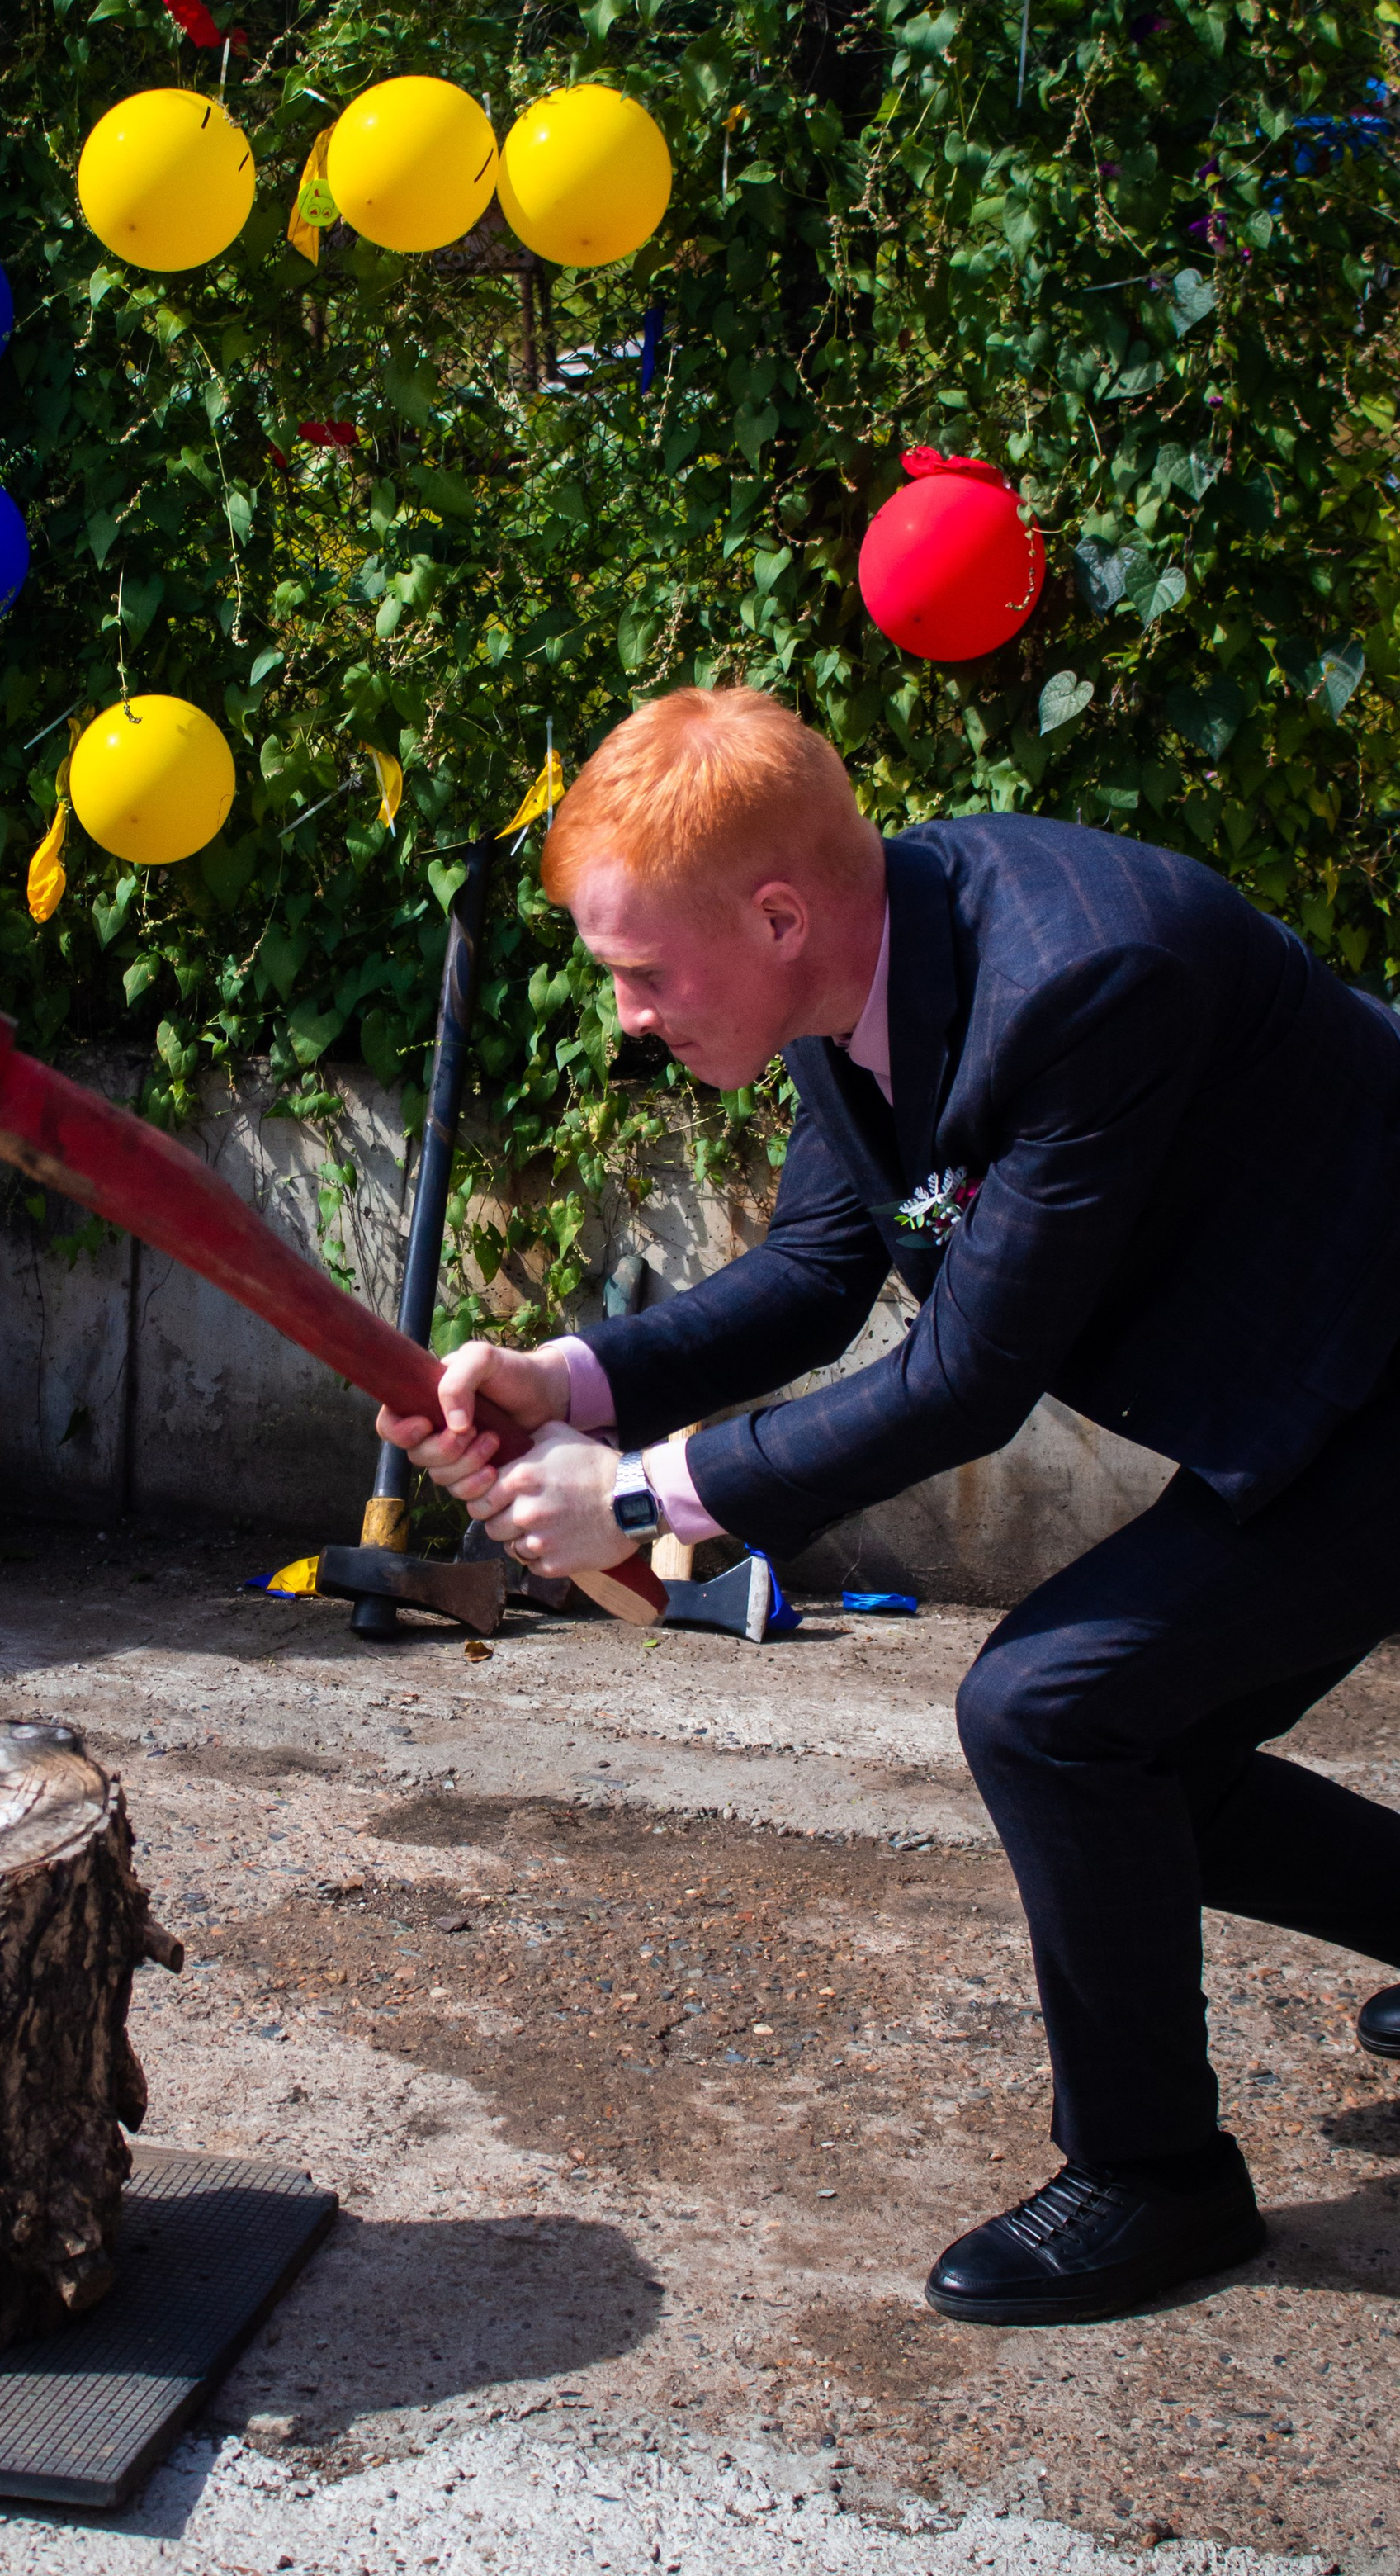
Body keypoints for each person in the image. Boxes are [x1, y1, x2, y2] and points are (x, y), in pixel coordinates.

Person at [377, 682, 1400, 2325]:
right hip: (1308, 1380)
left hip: (1380, 1378)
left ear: (773, 913)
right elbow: (812, 1271)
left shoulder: (1082, 977)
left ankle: (1151, 2175)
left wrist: (640, 1496)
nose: (626, 1015)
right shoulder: (854, 973)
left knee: (1052, 1711)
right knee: (1143, 1754)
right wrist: (563, 1384)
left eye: (640, 973)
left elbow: (964, 1380)